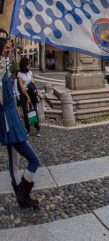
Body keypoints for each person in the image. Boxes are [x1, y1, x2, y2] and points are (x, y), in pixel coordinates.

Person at [0, 38, 40, 209]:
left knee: (14, 161)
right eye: (6, 48)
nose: (9, 50)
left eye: (10, 48)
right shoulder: (2, 70)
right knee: (34, 160)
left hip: (11, 118)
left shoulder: (6, 69)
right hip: (8, 122)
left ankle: (20, 195)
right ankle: (23, 193)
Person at [16, 58, 41, 137]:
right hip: (24, 96)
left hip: (32, 95)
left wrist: (32, 90)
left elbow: (33, 83)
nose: (29, 65)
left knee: (34, 111)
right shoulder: (19, 74)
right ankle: (28, 129)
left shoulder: (30, 72)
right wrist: (27, 96)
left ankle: (37, 129)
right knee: (26, 113)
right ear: (24, 64)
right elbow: (21, 87)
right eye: (28, 63)